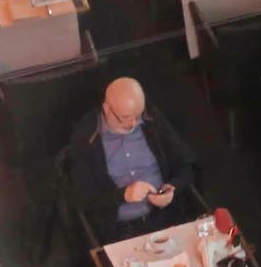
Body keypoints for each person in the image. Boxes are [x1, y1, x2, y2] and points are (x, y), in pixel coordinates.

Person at [70, 77, 196, 239]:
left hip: (164, 218)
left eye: (138, 115)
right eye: (125, 117)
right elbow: (84, 200)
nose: (133, 124)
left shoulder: (152, 120)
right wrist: (123, 195)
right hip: (118, 230)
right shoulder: (87, 137)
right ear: (106, 109)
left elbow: (185, 165)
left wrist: (173, 188)